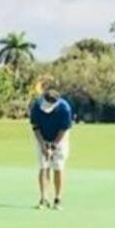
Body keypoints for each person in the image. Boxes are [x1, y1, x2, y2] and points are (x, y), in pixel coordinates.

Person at [29, 76, 73, 210]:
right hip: (42, 136)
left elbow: (63, 130)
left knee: (58, 167)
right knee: (43, 166)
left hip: (60, 139)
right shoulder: (36, 106)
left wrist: (53, 146)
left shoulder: (65, 109)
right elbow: (35, 127)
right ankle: (43, 199)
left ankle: (57, 199)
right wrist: (43, 145)